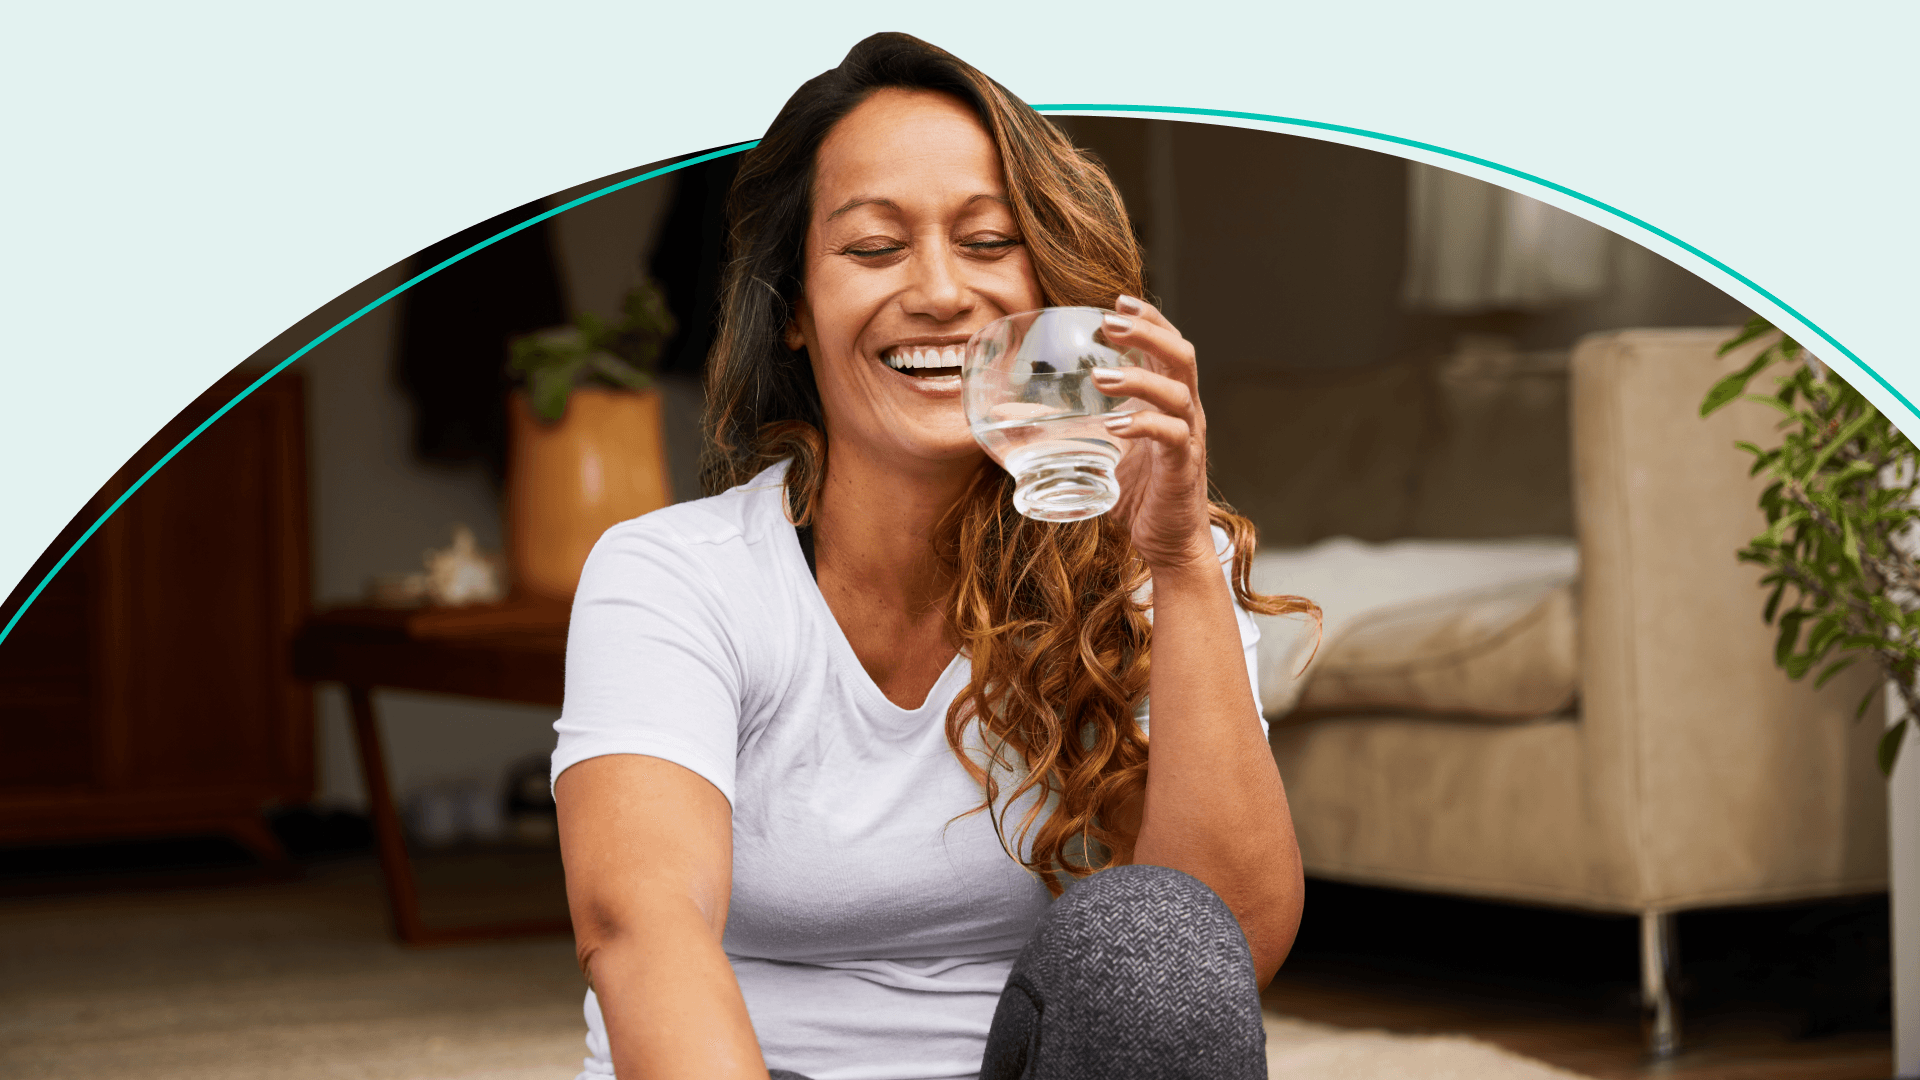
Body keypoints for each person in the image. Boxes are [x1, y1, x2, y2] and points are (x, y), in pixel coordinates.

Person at [550, 32, 1316, 1080]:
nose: (942, 292)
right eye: (873, 249)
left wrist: (1180, 564)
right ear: (793, 312)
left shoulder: (1158, 560)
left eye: (990, 241)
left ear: (1049, 289)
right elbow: (641, 933)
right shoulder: (673, 577)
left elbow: (1220, 949)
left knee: (1155, 935)